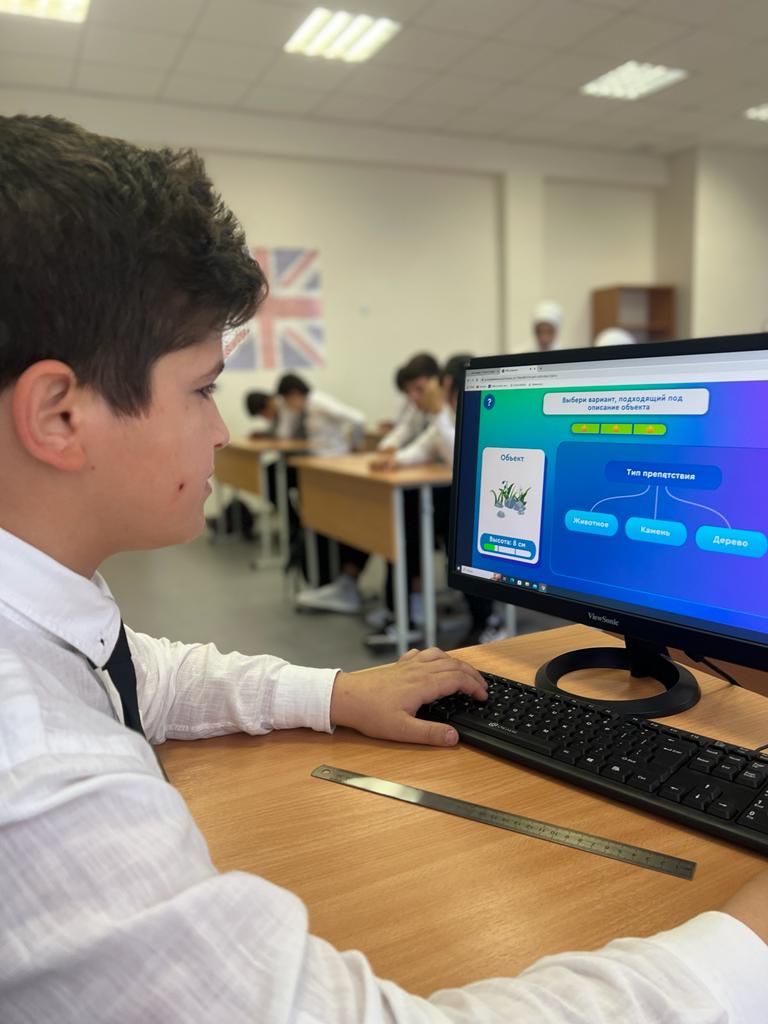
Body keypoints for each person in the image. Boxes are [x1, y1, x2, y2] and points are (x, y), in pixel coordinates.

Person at [2, 115, 768, 1024]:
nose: (222, 430)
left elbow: (139, 674)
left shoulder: (43, 621)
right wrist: (747, 948)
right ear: (58, 415)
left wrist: (336, 691)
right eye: (203, 388)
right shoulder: (37, 781)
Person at [367, 356, 497, 649]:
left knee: (459, 542)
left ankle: (489, 621)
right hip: (458, 497)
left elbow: (460, 456)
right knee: (409, 520)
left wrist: (438, 413)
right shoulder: (445, 413)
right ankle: (407, 610)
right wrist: (394, 460)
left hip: (485, 502)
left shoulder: (474, 408)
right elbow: (425, 445)